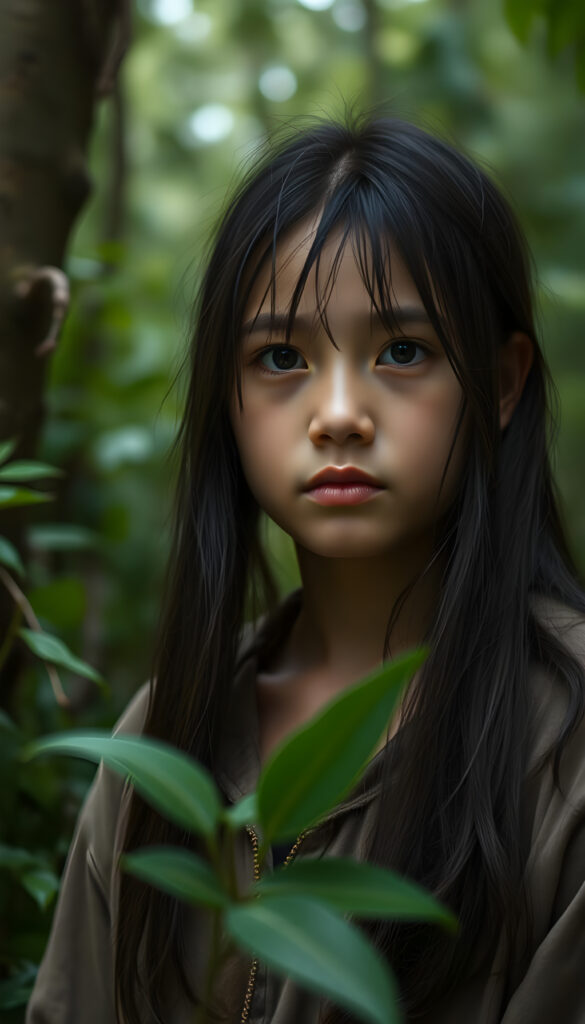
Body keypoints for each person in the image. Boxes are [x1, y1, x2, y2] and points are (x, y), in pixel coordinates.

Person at [26, 113, 585, 1024]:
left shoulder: (565, 747)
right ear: (230, 398)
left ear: (501, 382)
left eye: (401, 352)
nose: (336, 414)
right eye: (280, 357)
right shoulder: (164, 739)